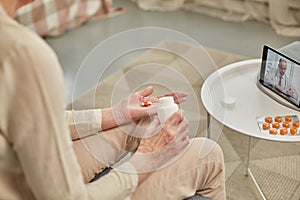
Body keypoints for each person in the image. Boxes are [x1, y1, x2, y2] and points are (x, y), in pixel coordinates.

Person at [0, 1, 225, 199]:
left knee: (133, 124)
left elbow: (37, 123)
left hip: (18, 171)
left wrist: (116, 114)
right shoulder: (23, 55)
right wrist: (148, 159)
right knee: (209, 155)